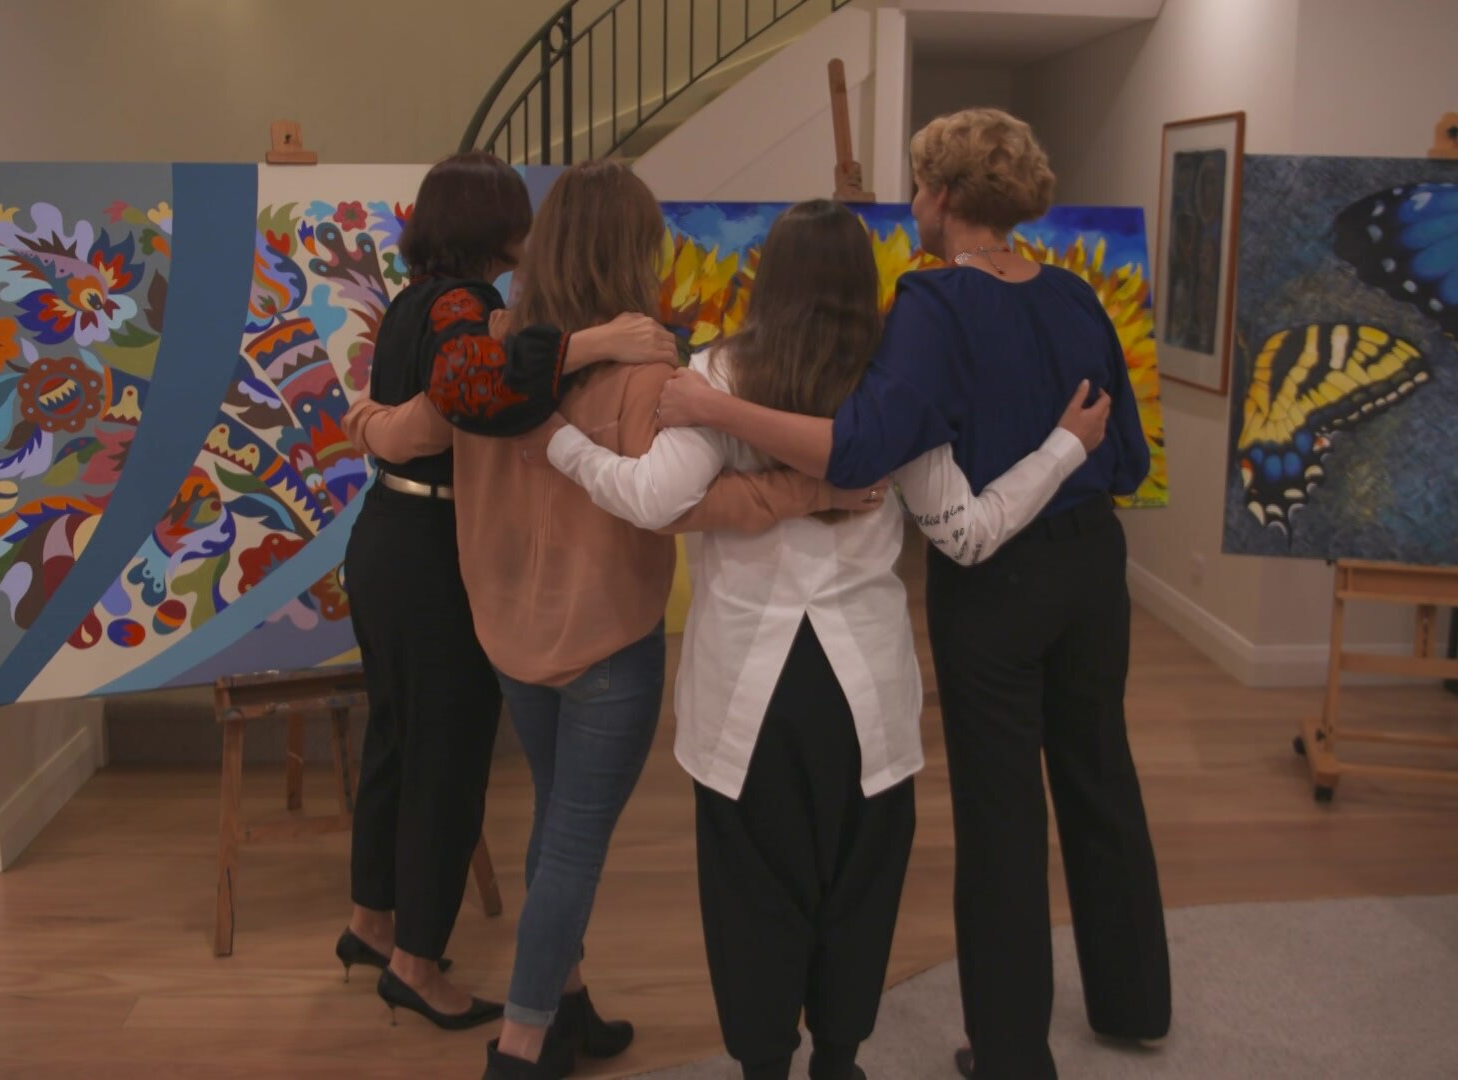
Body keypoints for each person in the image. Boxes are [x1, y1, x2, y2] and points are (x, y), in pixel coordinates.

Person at [535, 199, 1113, 1080]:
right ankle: (839, 1061)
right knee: (859, 887)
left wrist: (563, 448)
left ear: (770, 278)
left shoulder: (722, 372)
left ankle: (765, 1063)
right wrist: (1066, 450)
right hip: (865, 692)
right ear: (864, 285)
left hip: (745, 695)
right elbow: (964, 529)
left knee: (751, 895)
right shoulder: (895, 383)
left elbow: (653, 499)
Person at [654, 110, 1173, 1079]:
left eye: (919, 188)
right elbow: (1130, 451)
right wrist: (1064, 450)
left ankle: (1014, 1050)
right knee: (1103, 775)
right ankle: (1136, 996)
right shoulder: (1079, 297)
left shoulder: (931, 307)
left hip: (1001, 584)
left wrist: (714, 406)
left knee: (1004, 813)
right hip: (1096, 568)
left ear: (939, 197)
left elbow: (860, 449)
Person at [347, 160, 866, 1080]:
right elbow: (673, 504)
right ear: (635, 250)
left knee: (557, 823)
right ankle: (523, 1043)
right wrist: (805, 487)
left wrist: (365, 420)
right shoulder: (646, 365)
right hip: (604, 647)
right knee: (573, 843)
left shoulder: (491, 349)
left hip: (507, 631)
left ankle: (568, 1001)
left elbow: (413, 432)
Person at [334, 150, 677, 1032]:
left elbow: (426, 412)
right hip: (432, 560)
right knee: (447, 764)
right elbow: (454, 398)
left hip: (398, 545)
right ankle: (422, 965)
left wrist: (370, 425)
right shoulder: (475, 316)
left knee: (402, 743)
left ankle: (376, 923)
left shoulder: (428, 306)